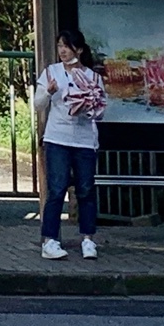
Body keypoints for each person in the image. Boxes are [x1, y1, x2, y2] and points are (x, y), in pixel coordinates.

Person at [34, 29, 105, 260]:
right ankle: (50, 240)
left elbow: (100, 110)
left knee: (85, 189)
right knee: (56, 189)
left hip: (84, 140)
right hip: (57, 138)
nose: (63, 50)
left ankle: (88, 239)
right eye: (60, 46)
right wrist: (49, 92)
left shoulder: (93, 77)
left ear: (79, 49)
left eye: (67, 46)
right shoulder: (51, 73)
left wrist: (89, 105)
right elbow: (38, 104)